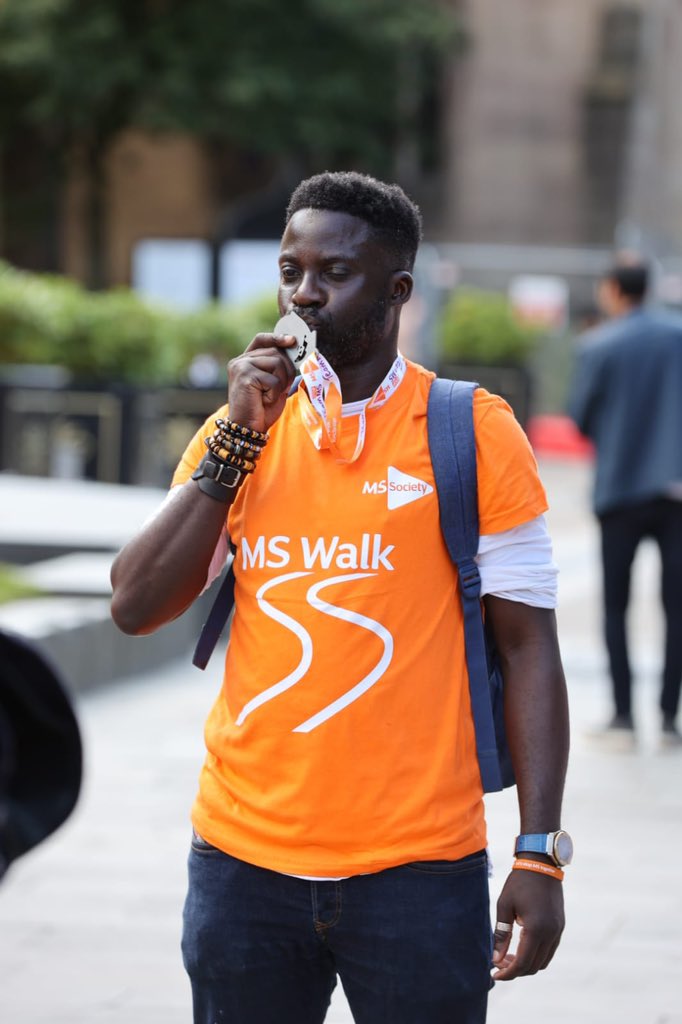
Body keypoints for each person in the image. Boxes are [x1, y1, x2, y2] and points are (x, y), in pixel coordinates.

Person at [110, 171, 570, 1024]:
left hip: (420, 872)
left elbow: (528, 646)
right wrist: (238, 440)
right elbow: (135, 605)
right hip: (242, 863)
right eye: (291, 271)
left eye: (334, 273)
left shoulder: (472, 430)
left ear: (398, 290)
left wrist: (539, 854)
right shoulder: (240, 433)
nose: (304, 294)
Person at [569, 261, 682, 751]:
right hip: (677, 492)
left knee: (616, 604)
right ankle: (669, 718)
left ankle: (622, 716)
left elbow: (580, 417)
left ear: (613, 291)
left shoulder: (600, 345)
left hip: (619, 489)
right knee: (676, 608)